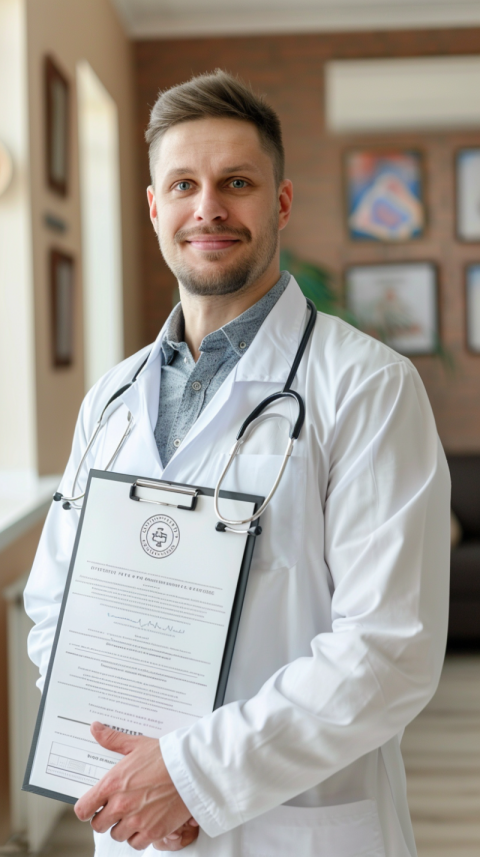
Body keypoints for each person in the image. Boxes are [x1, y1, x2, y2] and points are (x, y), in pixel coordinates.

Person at [24, 70, 450, 856]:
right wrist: (127, 766)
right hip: (136, 824)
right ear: (154, 207)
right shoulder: (111, 401)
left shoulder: (367, 386)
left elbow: (390, 649)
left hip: (302, 827)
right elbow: (56, 603)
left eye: (237, 182)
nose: (208, 207)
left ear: (280, 202)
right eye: (182, 184)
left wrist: (191, 775)